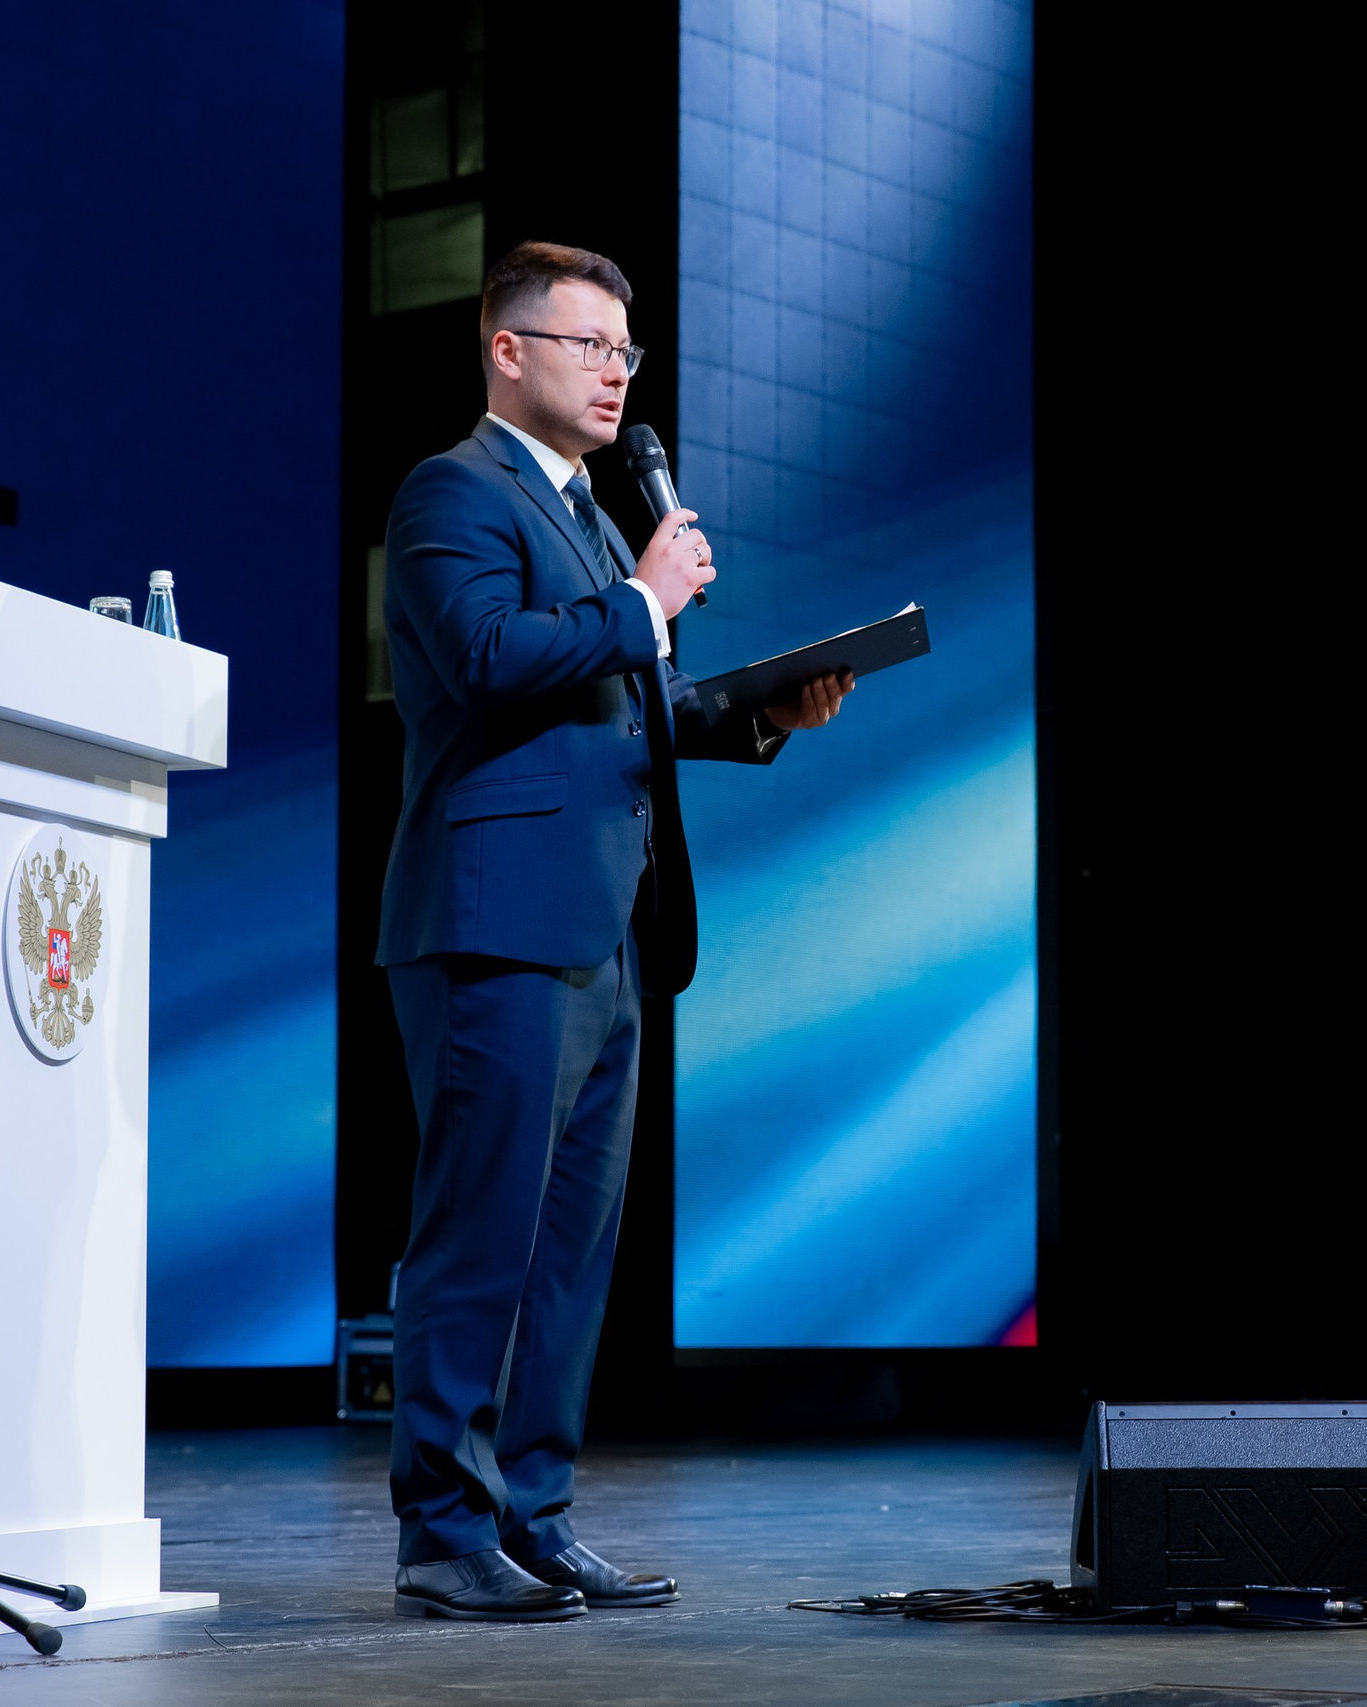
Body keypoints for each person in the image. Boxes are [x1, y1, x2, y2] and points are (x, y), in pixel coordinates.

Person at [374, 241, 852, 1622]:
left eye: (626, 350)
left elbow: (626, 694)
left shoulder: (589, 521)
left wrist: (757, 706)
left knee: (573, 1245)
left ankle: (537, 1511)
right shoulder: (450, 492)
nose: (617, 369)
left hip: (611, 926)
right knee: (480, 1235)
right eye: (590, 344)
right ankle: (442, 1530)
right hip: (497, 923)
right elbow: (487, 657)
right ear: (507, 350)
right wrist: (643, 601)